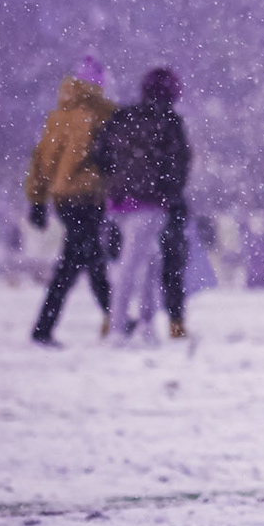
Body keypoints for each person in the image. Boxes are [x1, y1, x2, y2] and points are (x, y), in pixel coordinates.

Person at [93, 67, 191, 341]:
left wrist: (114, 183)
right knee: (137, 265)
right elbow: (179, 162)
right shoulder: (169, 121)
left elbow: (100, 153)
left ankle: (140, 324)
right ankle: (121, 326)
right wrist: (168, 192)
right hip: (151, 202)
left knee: (142, 262)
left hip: (120, 201)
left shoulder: (123, 117)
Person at [25, 55, 117, 345]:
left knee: (84, 263)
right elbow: (111, 161)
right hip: (88, 199)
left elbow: (42, 160)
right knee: (82, 265)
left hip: (64, 200)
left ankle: (114, 319)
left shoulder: (59, 116)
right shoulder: (102, 115)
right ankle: (116, 320)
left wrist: (37, 200)